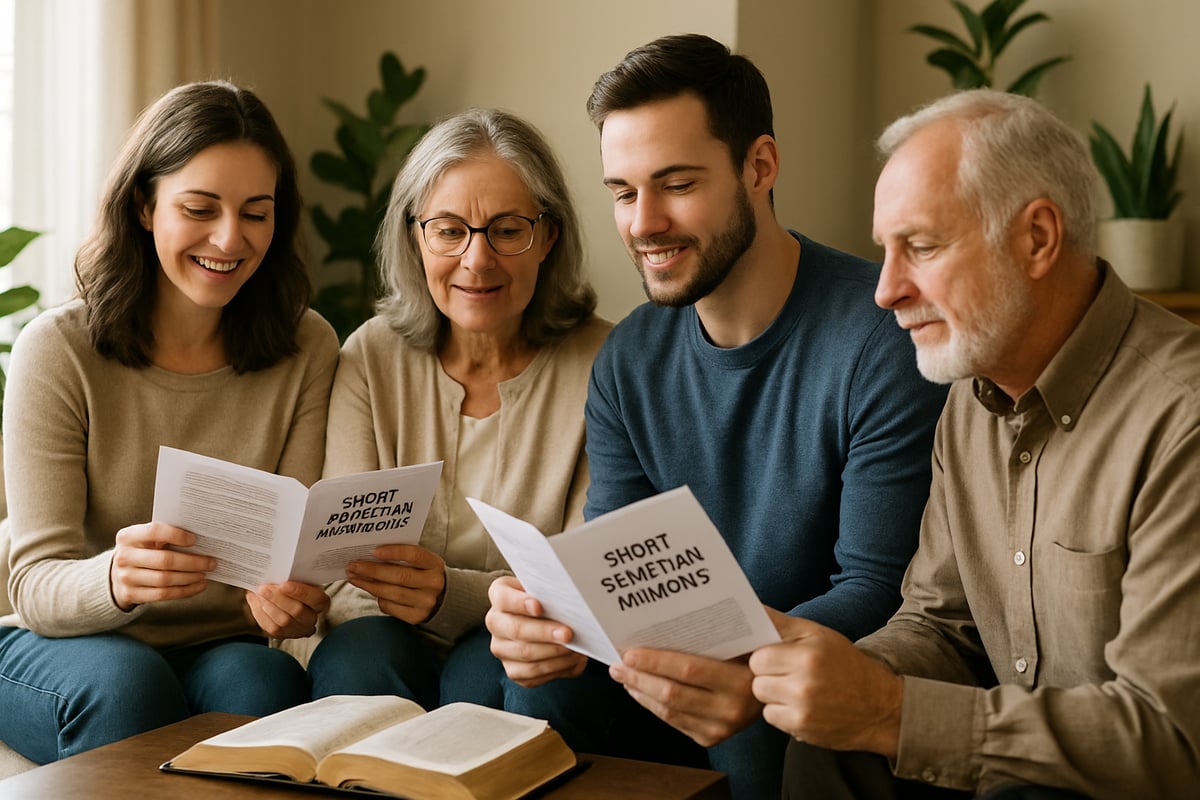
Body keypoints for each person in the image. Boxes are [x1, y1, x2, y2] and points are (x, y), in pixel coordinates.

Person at [485, 34, 948, 798]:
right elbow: (618, 561)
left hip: (804, 678)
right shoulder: (630, 357)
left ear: (760, 166)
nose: (643, 222)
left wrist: (737, 659)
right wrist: (547, 619)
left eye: (676, 184)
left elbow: (877, 590)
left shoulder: (880, 337)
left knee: (761, 723)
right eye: (624, 191)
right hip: (677, 669)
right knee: (539, 687)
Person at [749, 88, 1200, 799]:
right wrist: (835, 672)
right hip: (1016, 772)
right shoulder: (970, 399)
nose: (886, 290)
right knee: (824, 746)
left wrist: (890, 713)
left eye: (920, 247)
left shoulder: (1183, 421)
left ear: (1037, 239)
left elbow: (1169, 740)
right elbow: (940, 624)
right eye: (885, 253)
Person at [0, 80, 340, 763]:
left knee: (265, 682)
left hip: (221, 644)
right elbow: (33, 582)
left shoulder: (307, 347)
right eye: (200, 207)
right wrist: (117, 581)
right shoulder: (58, 349)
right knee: (129, 683)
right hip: (63, 641)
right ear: (144, 203)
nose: (229, 238)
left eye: (256, 213)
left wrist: (294, 603)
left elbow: (294, 561)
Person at [301, 108, 610, 710]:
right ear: (416, 238)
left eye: (507, 229)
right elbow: (342, 568)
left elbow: (584, 581)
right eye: (448, 230)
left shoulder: (605, 363)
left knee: (491, 675)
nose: (477, 259)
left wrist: (455, 596)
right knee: (358, 657)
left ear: (548, 237)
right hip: (381, 632)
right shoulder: (370, 355)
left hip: (534, 639)